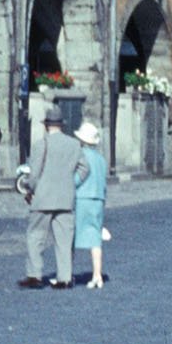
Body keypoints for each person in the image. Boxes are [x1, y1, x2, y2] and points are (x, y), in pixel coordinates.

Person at [19, 109, 88, 288]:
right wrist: (71, 183)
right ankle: (64, 278)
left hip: (43, 198)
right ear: (61, 125)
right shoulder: (74, 145)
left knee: (35, 237)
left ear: (46, 125)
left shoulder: (41, 144)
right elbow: (84, 168)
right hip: (66, 199)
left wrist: (30, 189)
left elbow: (34, 174)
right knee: (64, 240)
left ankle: (34, 275)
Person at [73, 120, 109, 289]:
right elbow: (104, 183)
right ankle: (97, 275)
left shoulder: (79, 155)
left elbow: (77, 178)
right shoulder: (101, 159)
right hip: (98, 200)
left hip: (82, 198)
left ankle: (66, 274)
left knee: (70, 236)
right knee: (95, 238)